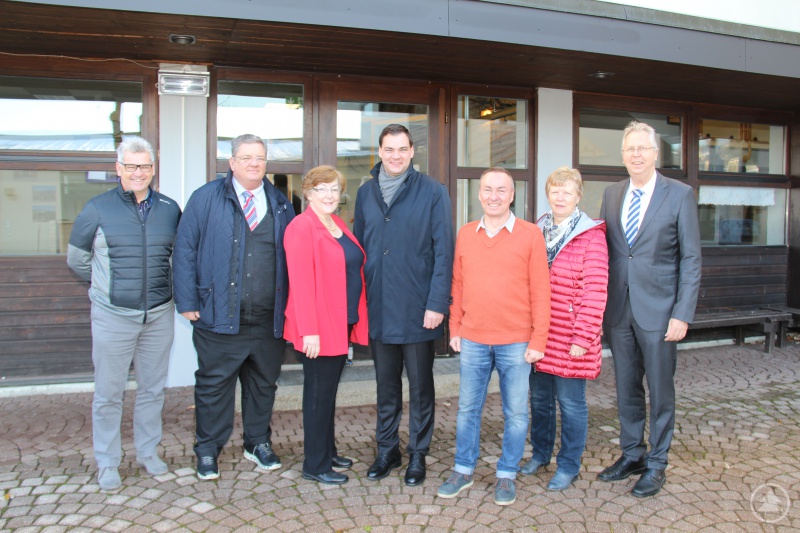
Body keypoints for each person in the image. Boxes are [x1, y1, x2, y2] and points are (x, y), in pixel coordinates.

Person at [173, 133, 295, 480]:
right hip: (218, 314)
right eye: (246, 158)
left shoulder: (281, 202)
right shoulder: (206, 198)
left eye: (259, 158)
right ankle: (208, 449)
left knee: (263, 385)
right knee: (214, 386)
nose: (254, 164)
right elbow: (184, 249)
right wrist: (187, 299)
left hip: (267, 318)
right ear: (232, 162)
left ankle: (257, 442)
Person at [67, 137, 181, 490]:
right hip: (113, 315)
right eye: (131, 166)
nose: (138, 172)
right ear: (118, 169)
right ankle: (107, 462)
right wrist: (105, 287)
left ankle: (148, 453)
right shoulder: (97, 208)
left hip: (159, 314)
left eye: (145, 166)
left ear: (153, 169)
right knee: (108, 394)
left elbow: (178, 256)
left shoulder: (169, 208)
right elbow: (77, 260)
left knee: (151, 390)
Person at [598, 121, 701, 497]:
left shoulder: (679, 195)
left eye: (643, 148)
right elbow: (608, 253)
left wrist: (682, 313)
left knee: (660, 391)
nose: (636, 155)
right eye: (630, 149)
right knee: (625, 388)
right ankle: (632, 454)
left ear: (656, 153)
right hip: (620, 310)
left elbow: (691, 259)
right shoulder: (611, 194)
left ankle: (657, 463)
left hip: (660, 313)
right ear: (622, 155)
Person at [437, 167, 550, 506]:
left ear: (512, 195)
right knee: (468, 409)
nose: (494, 196)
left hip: (516, 340)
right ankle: (462, 468)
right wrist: (454, 328)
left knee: (516, 412)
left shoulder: (530, 234)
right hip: (472, 337)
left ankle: (506, 474)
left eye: (501, 190)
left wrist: (538, 340)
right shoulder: (466, 233)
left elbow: (541, 291)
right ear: (479, 193)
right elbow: (457, 284)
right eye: (488, 189)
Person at [353, 123, 454, 486]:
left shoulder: (432, 191)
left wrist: (437, 302)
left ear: (412, 152)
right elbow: (360, 249)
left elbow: (444, 250)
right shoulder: (365, 194)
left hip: (418, 308)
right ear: (379, 152)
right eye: (388, 149)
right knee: (385, 386)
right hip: (380, 305)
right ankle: (387, 450)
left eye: (402, 149)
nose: (395, 155)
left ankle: (418, 454)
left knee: (421, 386)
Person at [521, 167, 608, 491]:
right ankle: (541, 454)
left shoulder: (592, 236)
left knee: (571, 404)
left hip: (571, 337)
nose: (560, 197)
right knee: (540, 401)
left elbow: (596, 289)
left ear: (578, 196)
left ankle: (569, 464)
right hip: (541, 334)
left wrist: (584, 337)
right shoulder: (536, 229)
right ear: (548, 194)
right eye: (555, 191)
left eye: (567, 192)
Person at [283, 165, 369, 485]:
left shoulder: (335, 223)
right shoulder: (301, 227)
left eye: (335, 189)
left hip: (340, 321)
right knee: (318, 395)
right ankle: (315, 464)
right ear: (308, 193)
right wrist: (309, 331)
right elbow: (301, 283)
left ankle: (327, 451)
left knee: (329, 392)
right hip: (317, 326)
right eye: (322, 189)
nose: (330, 195)